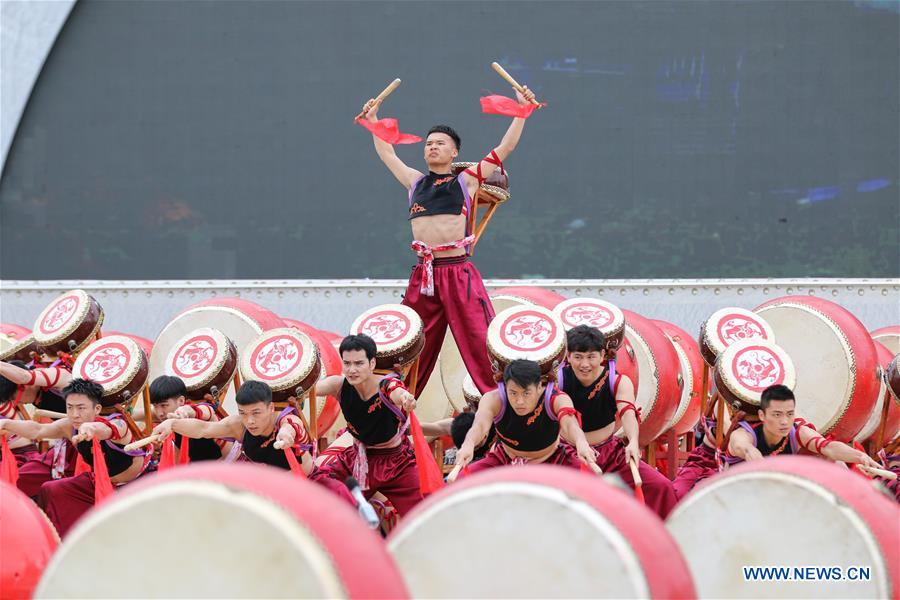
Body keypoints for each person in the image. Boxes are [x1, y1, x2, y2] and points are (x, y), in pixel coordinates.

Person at [360, 84, 536, 397]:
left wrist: (521, 113)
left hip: (458, 273)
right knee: (407, 342)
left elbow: (504, 148)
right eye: (428, 144)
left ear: (454, 152)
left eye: (440, 143)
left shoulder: (467, 181)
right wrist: (374, 121)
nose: (432, 147)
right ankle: (393, 406)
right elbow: (387, 153)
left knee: (480, 339)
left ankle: (505, 403)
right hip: (424, 275)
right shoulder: (415, 182)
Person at [558, 325, 678, 518]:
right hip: (569, 453)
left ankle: (666, 539)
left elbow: (628, 412)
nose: (585, 364)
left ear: (603, 355)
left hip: (611, 453)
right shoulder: (559, 381)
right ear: (568, 356)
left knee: (660, 486)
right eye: (578, 357)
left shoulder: (617, 381)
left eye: (591, 357)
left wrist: (632, 441)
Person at [310, 334, 423, 516]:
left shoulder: (387, 385)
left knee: (424, 513)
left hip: (397, 464)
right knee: (319, 489)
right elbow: (309, 390)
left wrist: (406, 398)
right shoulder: (339, 385)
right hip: (358, 460)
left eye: (359, 363)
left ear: (372, 364)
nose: (352, 369)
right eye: (347, 363)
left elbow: (398, 392)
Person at [17, 379, 146, 536]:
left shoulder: (118, 424)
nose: (74, 414)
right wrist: (6, 425)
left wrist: (89, 427)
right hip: (96, 482)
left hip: (135, 484)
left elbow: (106, 429)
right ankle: (59, 541)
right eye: (70, 408)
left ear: (97, 408)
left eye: (81, 408)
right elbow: (38, 430)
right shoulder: (70, 425)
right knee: (51, 490)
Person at [454, 359, 596, 474]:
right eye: (513, 393)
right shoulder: (494, 399)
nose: (519, 401)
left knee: (593, 483)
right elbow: (479, 425)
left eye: (526, 393)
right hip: (505, 458)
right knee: (461, 483)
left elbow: (570, 424)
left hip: (553, 459)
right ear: (504, 387)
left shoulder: (556, 399)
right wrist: (468, 444)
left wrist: (581, 442)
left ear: (540, 386)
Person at [152, 380, 313, 473]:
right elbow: (203, 429)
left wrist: (285, 436)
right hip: (266, 489)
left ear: (271, 408)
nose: (249, 420)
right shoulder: (238, 425)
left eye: (256, 413)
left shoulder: (288, 421)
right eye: (243, 412)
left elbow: (289, 429)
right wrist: (172, 424)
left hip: (305, 488)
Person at [725, 384, 880, 469]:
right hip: (736, 496)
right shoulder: (743, 435)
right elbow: (749, 451)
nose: (785, 421)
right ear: (762, 416)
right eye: (777, 415)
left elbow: (829, 448)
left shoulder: (797, 432)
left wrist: (860, 457)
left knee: (830, 459)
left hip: (778, 493)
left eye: (789, 414)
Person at [148, 375, 224, 462]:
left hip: (229, 467)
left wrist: (184, 411)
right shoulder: (168, 418)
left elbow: (207, 410)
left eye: (164, 405)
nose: (159, 413)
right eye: (155, 406)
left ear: (181, 401)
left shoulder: (196, 411)